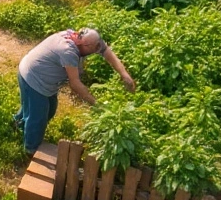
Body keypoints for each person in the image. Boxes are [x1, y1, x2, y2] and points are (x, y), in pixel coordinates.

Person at [14, 28, 134, 156]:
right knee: (38, 117)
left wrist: (124, 74)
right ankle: (30, 149)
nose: (96, 51)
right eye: (94, 49)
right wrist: (96, 104)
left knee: (49, 110)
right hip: (34, 79)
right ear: (83, 45)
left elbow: (106, 51)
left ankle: (19, 124)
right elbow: (75, 84)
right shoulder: (68, 51)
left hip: (42, 77)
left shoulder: (85, 38)